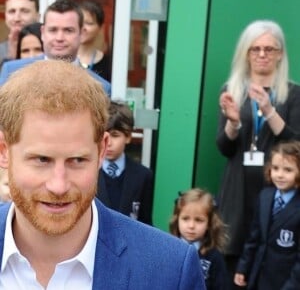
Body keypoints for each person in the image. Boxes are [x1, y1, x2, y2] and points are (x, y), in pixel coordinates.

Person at [0, 60, 205, 289]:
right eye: (41, 160)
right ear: (4, 151)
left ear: (101, 151)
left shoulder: (170, 270)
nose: (59, 185)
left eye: (77, 160)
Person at [216, 20, 300, 285]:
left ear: (280, 54)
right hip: (237, 188)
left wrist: (268, 109)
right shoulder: (232, 90)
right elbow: (224, 148)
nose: (262, 55)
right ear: (246, 53)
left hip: (277, 189)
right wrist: (233, 121)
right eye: (255, 49)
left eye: (269, 49)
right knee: (232, 261)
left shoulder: (293, 93)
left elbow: (296, 144)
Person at [0, 0, 111, 96]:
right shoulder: (12, 72)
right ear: (43, 32)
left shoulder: (100, 87)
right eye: (53, 30)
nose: (59, 38)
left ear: (81, 33)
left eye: (68, 30)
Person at [234, 141, 300, 290]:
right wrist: (243, 267)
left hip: (286, 281)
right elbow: (254, 238)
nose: (280, 175)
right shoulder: (265, 196)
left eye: (288, 170)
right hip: (258, 278)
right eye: (275, 168)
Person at [97, 101, 154, 225]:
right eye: (103, 136)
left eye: (115, 135)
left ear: (128, 137)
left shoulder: (143, 175)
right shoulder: (89, 171)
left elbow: (145, 221)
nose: (108, 142)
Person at [170, 188, 229, 290]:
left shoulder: (214, 257)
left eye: (198, 220)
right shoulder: (168, 250)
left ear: (209, 223)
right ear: (177, 219)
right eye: (185, 218)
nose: (191, 226)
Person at [0, 0, 39, 66]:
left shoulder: (49, 47)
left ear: (37, 17)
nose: (17, 18)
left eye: (24, 11)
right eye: (12, 11)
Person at [78, 0, 111, 81]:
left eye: (89, 23)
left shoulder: (109, 64)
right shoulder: (63, 59)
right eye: (79, 22)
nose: (83, 27)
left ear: (100, 28)